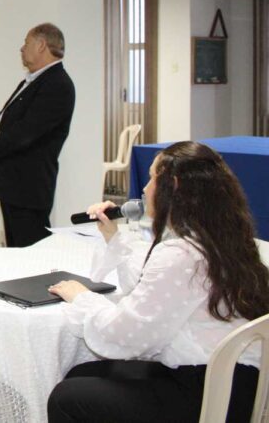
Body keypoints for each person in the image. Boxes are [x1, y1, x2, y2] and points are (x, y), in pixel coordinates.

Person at [47, 141, 269, 422]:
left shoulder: (181, 255)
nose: (144, 189)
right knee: (83, 373)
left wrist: (82, 298)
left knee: (67, 397)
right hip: (238, 384)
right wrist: (113, 237)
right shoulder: (222, 240)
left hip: (207, 394)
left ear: (172, 185)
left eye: (152, 178)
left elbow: (125, 335)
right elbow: (154, 290)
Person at [0, 22, 75, 248]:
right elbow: (6, 114)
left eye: (26, 43)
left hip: (29, 186)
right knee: (16, 248)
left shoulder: (57, 83)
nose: (21, 49)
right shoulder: (34, 79)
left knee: (31, 251)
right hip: (13, 183)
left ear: (40, 45)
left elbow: (28, 130)